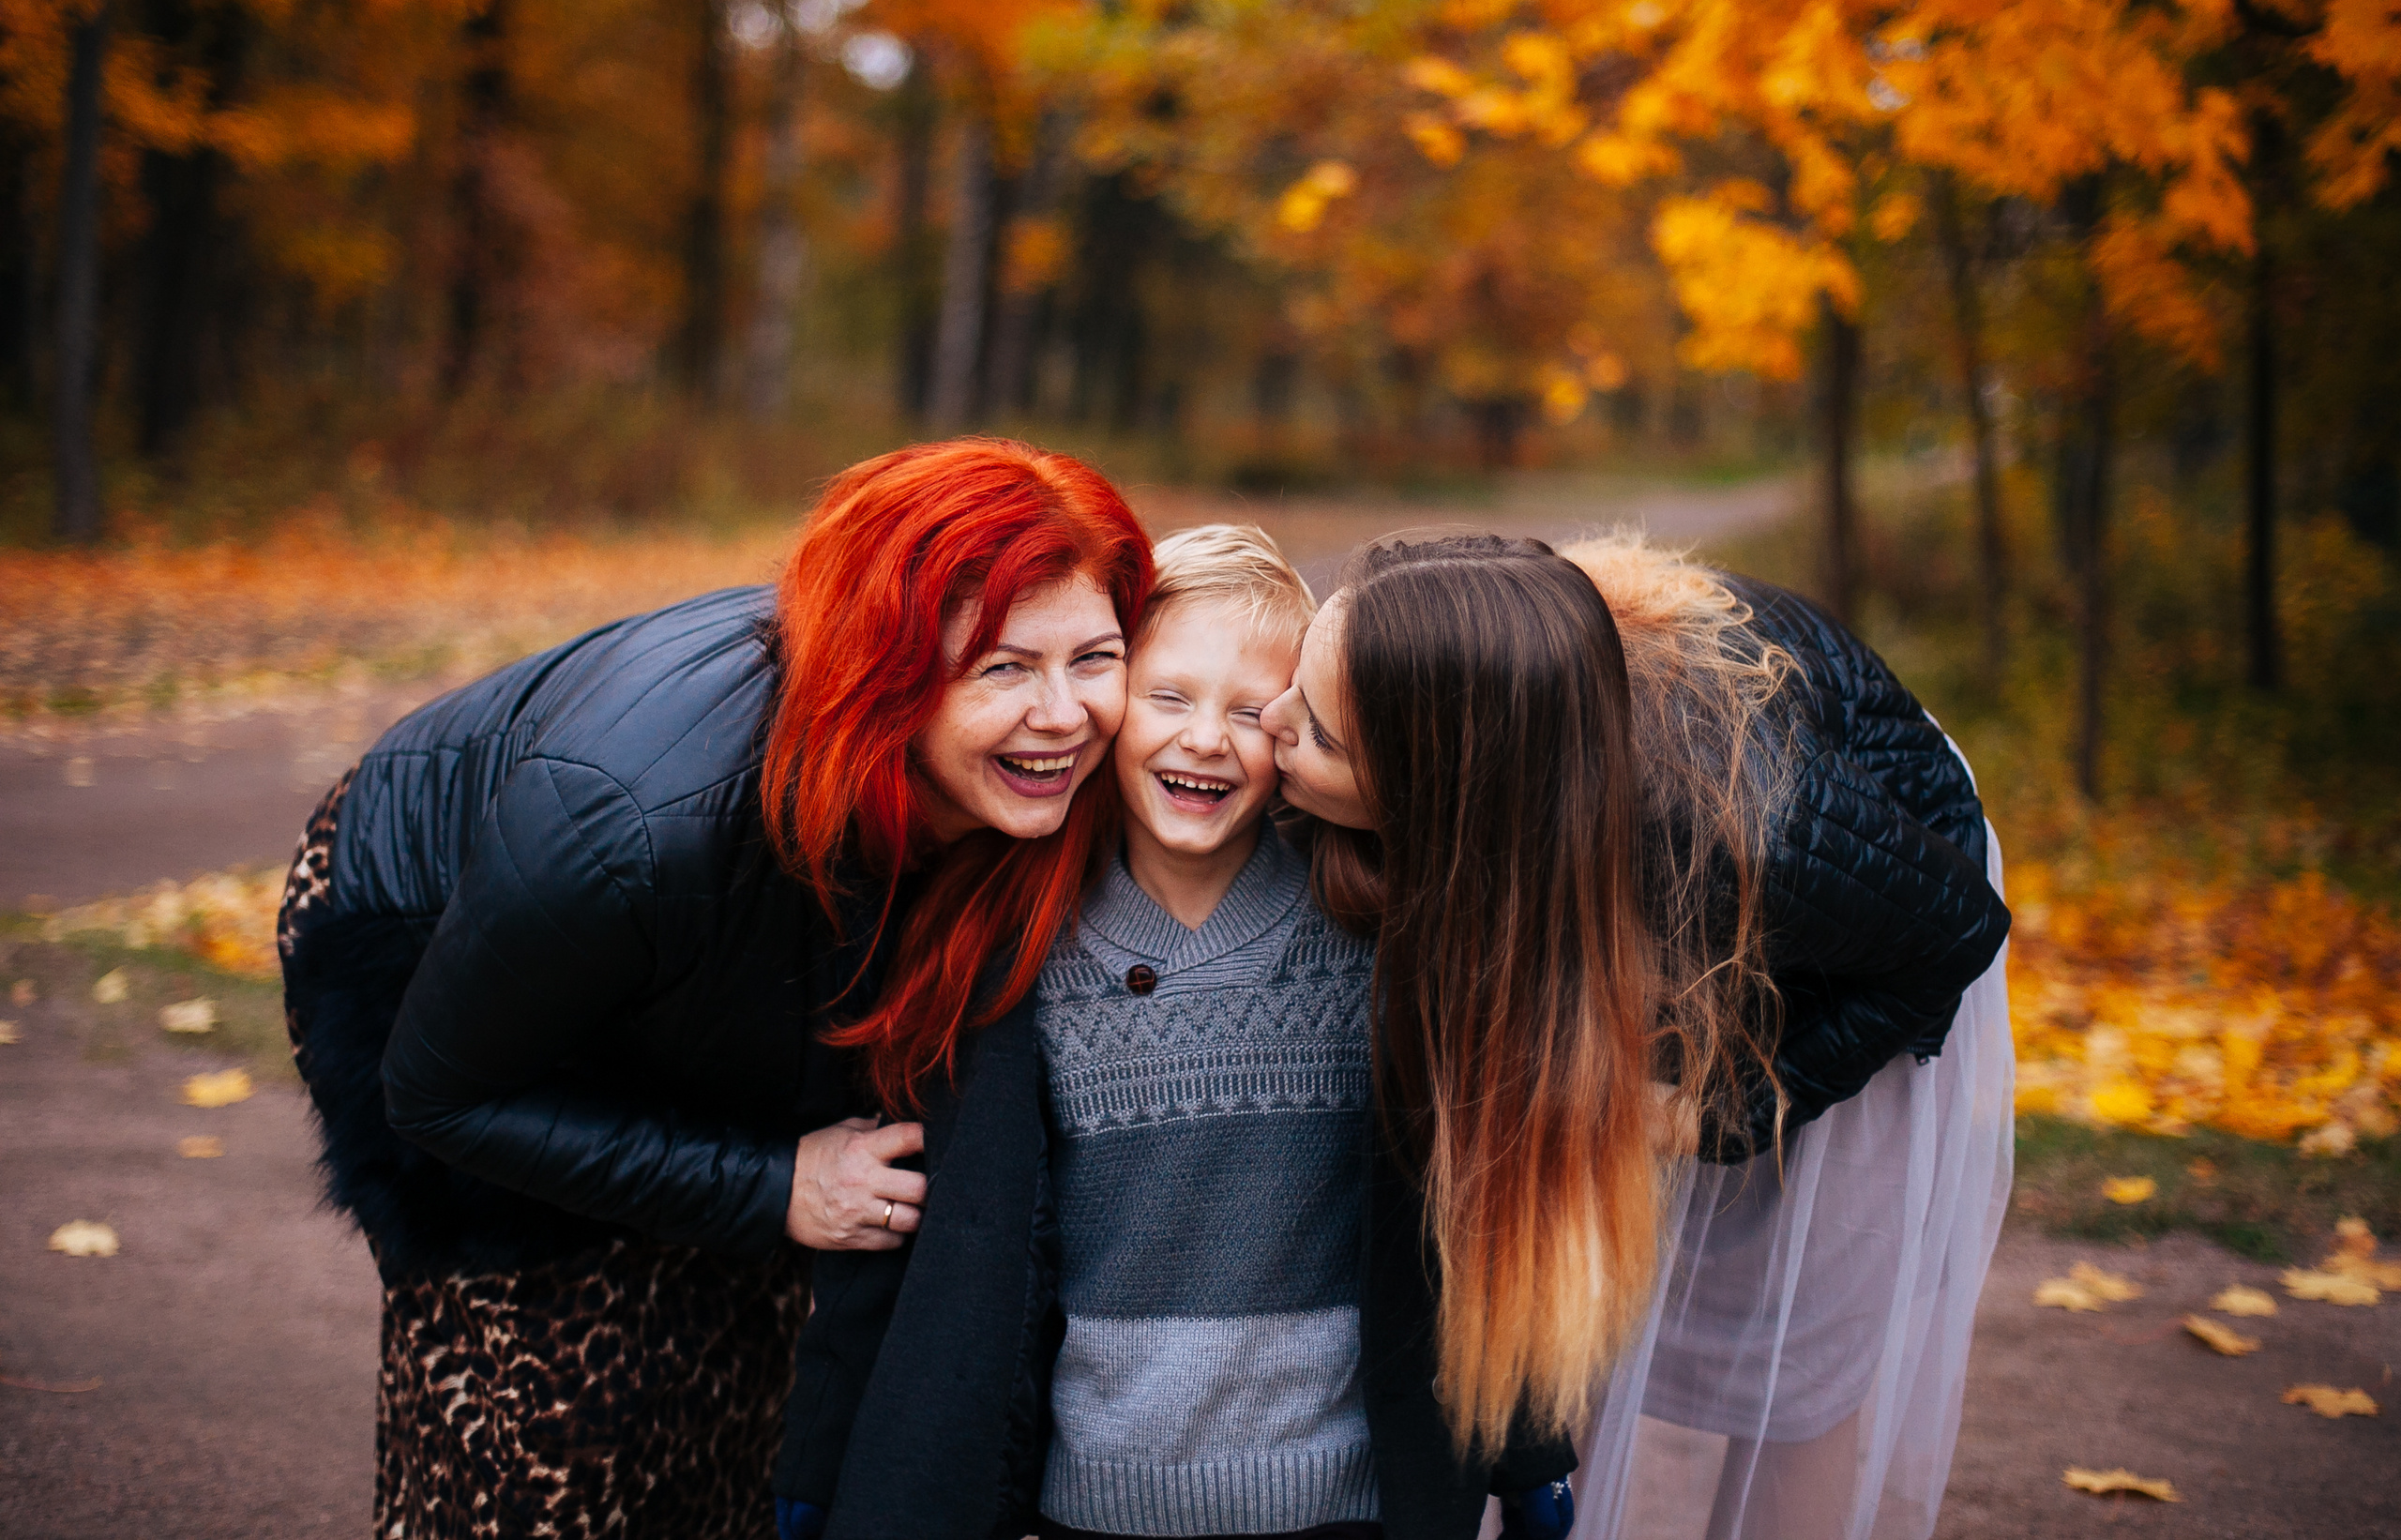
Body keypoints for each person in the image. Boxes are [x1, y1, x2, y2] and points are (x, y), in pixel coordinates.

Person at [276, 438, 1152, 1539]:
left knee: (736, 1380)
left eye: (1094, 658)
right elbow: (441, 1094)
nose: (1065, 714)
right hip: (445, 957)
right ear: (884, 671)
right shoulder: (633, 825)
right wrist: (774, 1184)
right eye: (1004, 669)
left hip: (703, 933)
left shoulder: (998, 780)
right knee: (559, 1418)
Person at [768, 524, 1578, 1540]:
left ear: (1299, 729)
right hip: (1091, 1505)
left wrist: (1528, 1442)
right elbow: (927, 1237)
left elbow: (1472, 1206)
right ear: (1110, 708)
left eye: (1250, 711)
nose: (1205, 739)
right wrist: (822, 1451)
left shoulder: (1368, 937)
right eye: (1169, 697)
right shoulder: (1015, 953)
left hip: (1340, 1504)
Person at [1259, 532, 2013, 1540]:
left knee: (1802, 1353)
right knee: (1573, 1293)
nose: (1270, 722)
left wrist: (1734, 1109)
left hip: (1879, 898)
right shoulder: (1485, 713)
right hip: (1629, 853)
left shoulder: (1752, 837)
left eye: (1317, 735)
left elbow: (1953, 930)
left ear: (1438, 793)